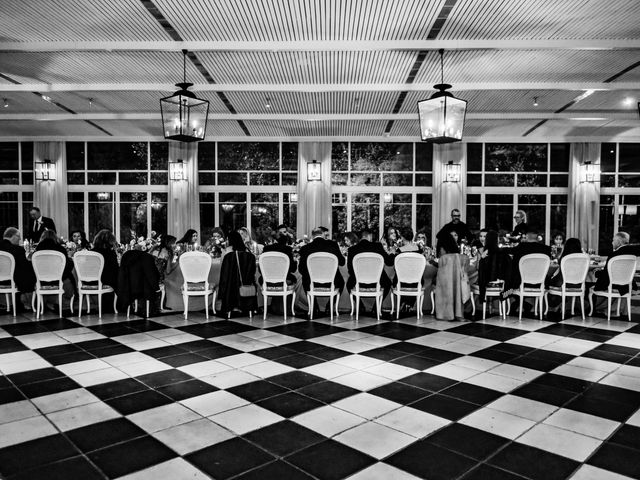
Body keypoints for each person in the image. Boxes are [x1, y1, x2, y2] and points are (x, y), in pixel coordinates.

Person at [346, 229, 394, 303]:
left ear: (361, 237)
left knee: (348, 284)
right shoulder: (377, 246)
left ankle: (361, 307)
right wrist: (392, 253)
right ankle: (376, 307)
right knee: (388, 283)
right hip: (377, 281)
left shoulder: (352, 249)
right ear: (369, 236)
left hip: (358, 281)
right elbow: (389, 262)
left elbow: (350, 269)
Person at [219, 231, 258, 316]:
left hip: (231, 284)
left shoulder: (227, 251)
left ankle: (230, 306)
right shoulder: (247, 251)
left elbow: (223, 267)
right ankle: (248, 307)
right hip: (246, 282)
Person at [299, 227, 345, 295]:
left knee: (305, 279)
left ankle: (314, 305)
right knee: (341, 282)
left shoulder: (305, 248)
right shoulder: (333, 245)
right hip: (332, 281)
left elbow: (301, 269)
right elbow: (342, 262)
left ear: (312, 236)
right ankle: (329, 305)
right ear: (323, 234)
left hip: (311, 282)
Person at [35, 229, 76, 306]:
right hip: (59, 278)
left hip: (42, 279)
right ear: (55, 237)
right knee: (70, 274)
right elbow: (67, 265)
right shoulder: (60, 249)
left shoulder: (38, 250)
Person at [0, 227, 36, 310]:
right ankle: (28, 302)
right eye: (19, 236)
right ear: (13, 236)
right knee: (29, 272)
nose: (20, 239)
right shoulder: (18, 249)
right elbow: (25, 265)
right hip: (12, 280)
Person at [476, 230, 512, 305]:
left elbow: (480, 271)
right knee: (513, 286)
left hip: (487, 282)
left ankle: (480, 303)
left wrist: (481, 259)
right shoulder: (503, 253)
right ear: (496, 240)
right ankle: (505, 295)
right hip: (501, 283)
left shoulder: (485, 254)